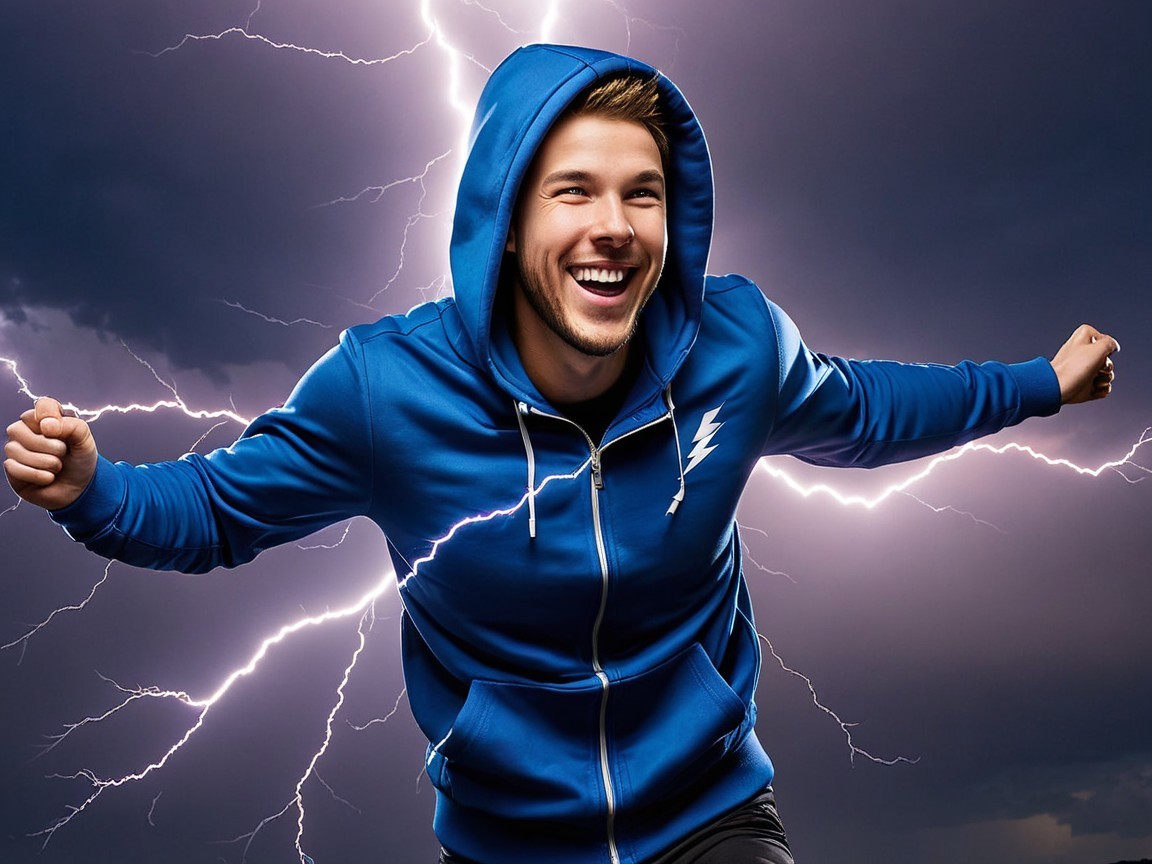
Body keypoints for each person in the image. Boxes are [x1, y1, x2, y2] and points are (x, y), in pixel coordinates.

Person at [4, 44, 1116, 864]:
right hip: (506, 846)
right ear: (506, 219)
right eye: (572, 190)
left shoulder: (734, 347)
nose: (614, 224)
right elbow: (214, 511)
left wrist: (1039, 384)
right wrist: (93, 491)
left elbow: (871, 409)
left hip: (712, 817)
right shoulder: (386, 389)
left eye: (642, 193)